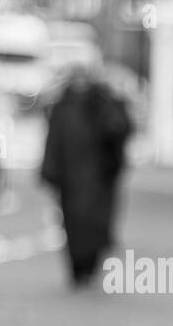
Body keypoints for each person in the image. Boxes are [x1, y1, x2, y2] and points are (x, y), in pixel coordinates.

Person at [40, 62, 131, 285]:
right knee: (74, 222)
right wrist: (50, 171)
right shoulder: (62, 107)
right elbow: (53, 142)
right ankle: (78, 266)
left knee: (95, 222)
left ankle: (89, 263)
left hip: (97, 176)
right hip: (71, 178)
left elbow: (119, 130)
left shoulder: (102, 102)